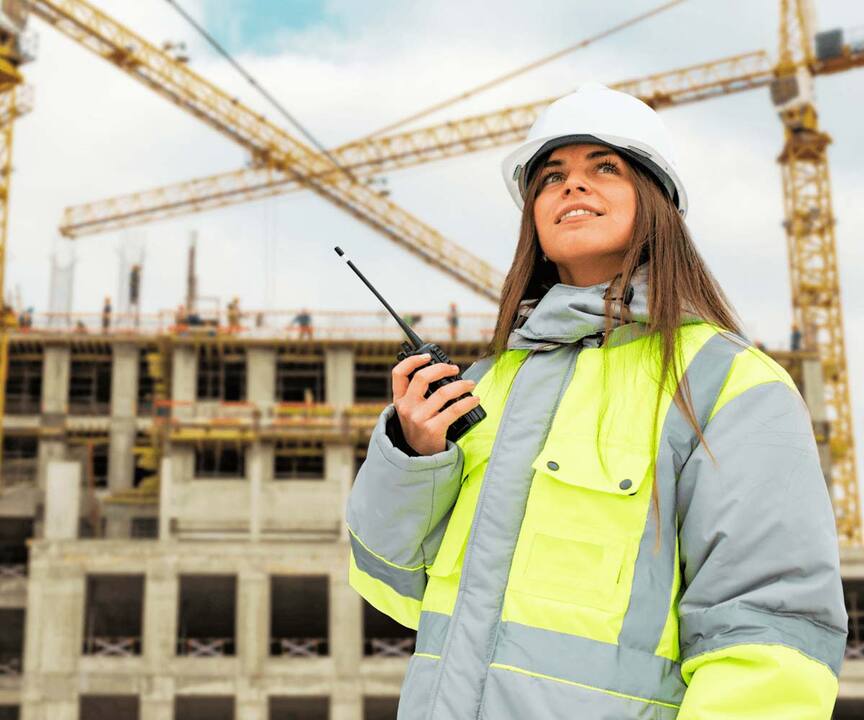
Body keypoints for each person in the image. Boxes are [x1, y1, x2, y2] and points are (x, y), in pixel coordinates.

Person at [346, 83, 846, 719]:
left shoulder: (732, 388)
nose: (571, 187)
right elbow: (392, 586)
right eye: (551, 176)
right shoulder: (484, 386)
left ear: (657, 200)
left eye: (603, 167)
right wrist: (413, 457)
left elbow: (768, 635)